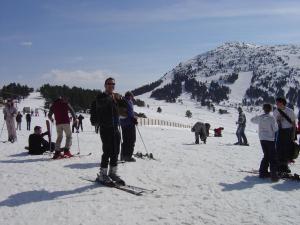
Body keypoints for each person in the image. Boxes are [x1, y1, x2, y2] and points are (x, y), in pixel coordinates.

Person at [95, 77, 128, 186]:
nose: (111, 85)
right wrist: (111, 97)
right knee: (107, 151)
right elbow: (101, 104)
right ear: (105, 85)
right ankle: (102, 174)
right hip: (105, 128)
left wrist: (121, 99)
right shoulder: (101, 96)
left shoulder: (115, 97)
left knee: (115, 151)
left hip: (115, 128)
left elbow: (125, 107)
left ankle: (112, 173)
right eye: (109, 84)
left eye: (113, 84)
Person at [251, 103, 279, 181]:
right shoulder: (272, 118)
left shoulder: (260, 117)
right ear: (270, 109)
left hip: (262, 139)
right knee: (272, 157)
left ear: (264, 109)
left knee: (266, 155)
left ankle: (263, 173)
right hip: (270, 139)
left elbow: (252, 120)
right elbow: (276, 129)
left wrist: (258, 116)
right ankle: (274, 176)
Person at [273, 97, 296, 174]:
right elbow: (274, 122)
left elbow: (293, 123)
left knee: (287, 148)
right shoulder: (275, 111)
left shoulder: (290, 111)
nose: (276, 104)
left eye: (277, 103)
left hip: (288, 131)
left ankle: (285, 166)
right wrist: (278, 121)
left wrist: (293, 134)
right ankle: (279, 165)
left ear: (282, 103)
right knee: (279, 148)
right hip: (279, 130)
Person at [120, 91, 137, 162]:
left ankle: (123, 155)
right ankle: (128, 156)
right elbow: (130, 113)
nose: (132, 98)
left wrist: (133, 117)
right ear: (130, 96)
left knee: (126, 140)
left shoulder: (122, 101)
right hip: (129, 124)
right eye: (132, 96)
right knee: (132, 140)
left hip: (123, 124)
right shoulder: (129, 102)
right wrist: (133, 119)